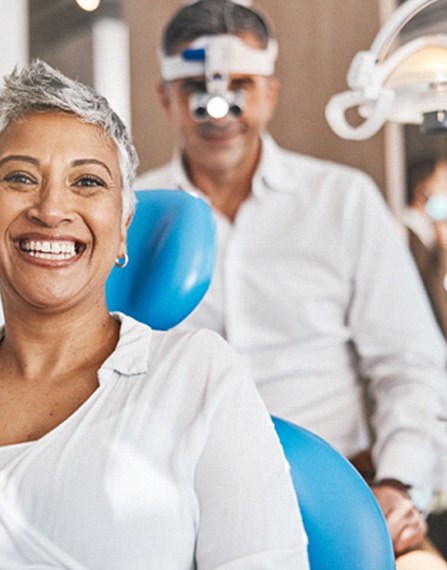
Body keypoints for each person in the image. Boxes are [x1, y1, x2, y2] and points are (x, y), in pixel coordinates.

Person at [0, 60, 309, 569]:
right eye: (19, 177)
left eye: (87, 182)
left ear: (124, 227)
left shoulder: (197, 375)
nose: (51, 209)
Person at [135, 0, 447, 565]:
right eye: (196, 90)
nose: (219, 107)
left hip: (346, 491)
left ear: (271, 93)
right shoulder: (132, 217)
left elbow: (411, 362)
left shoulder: (343, 201)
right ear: (165, 98)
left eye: (241, 85)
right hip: (186, 505)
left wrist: (400, 485)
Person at [404, 157, 447, 340]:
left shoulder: (430, 232)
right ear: (422, 192)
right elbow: (432, 291)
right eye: (443, 188)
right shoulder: (405, 235)